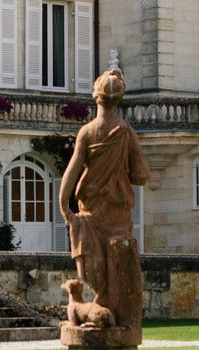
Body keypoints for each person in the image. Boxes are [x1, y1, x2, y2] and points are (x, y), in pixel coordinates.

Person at [58, 68, 150, 321]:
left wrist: (64, 206)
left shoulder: (87, 132)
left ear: (95, 96)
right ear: (119, 98)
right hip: (117, 209)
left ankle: (102, 306)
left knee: (91, 264)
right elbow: (141, 175)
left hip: (90, 207)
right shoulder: (126, 132)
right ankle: (110, 311)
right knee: (117, 262)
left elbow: (72, 170)